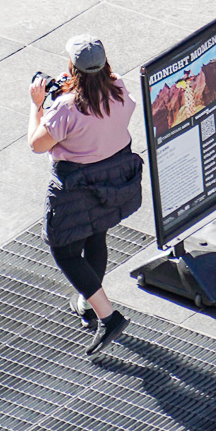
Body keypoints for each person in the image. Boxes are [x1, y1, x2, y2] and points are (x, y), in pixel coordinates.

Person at [27, 34, 141, 359]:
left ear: (72, 69)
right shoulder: (118, 90)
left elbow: (37, 144)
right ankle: (87, 304)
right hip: (113, 182)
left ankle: (108, 317)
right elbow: (108, 88)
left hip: (75, 188)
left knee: (63, 250)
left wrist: (37, 104)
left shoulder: (65, 109)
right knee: (95, 236)